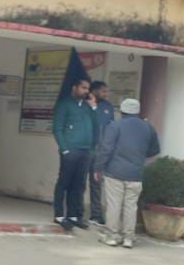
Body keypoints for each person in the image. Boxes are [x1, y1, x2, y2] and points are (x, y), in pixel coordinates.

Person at [93, 98, 160, 249]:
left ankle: (112, 237)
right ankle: (128, 238)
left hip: (114, 173)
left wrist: (98, 168)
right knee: (131, 207)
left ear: (122, 112)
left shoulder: (115, 126)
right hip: (136, 174)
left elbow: (105, 149)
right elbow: (154, 150)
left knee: (114, 205)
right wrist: (140, 155)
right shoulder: (148, 128)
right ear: (138, 111)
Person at [53, 76, 99, 230]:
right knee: (64, 182)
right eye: (83, 88)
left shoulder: (87, 106)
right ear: (74, 88)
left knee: (79, 184)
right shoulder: (64, 104)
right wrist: (64, 149)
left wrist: (93, 107)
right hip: (70, 150)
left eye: (88, 88)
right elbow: (57, 128)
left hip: (86, 151)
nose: (86, 91)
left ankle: (73, 215)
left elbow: (96, 125)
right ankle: (59, 215)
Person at [87, 81, 116, 226]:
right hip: (85, 149)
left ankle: (96, 215)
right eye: (103, 91)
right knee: (78, 183)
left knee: (97, 183)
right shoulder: (85, 104)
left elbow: (111, 127)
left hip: (100, 151)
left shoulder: (108, 106)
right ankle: (75, 213)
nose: (106, 94)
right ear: (94, 91)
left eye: (106, 91)